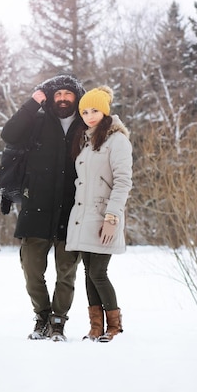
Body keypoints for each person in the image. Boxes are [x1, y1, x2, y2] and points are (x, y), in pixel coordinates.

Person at [0, 74, 86, 341]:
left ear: (76, 97)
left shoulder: (86, 124)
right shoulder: (36, 120)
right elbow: (9, 134)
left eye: (67, 95)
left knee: (66, 272)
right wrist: (32, 102)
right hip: (36, 207)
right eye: (57, 95)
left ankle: (58, 321)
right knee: (31, 270)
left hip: (72, 210)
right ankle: (42, 316)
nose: (62, 100)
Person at [66, 86, 133, 342]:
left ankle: (114, 326)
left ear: (105, 111)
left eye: (94, 110)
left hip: (104, 216)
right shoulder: (85, 140)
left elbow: (123, 181)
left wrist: (112, 218)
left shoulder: (117, 140)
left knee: (98, 273)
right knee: (88, 273)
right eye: (84, 111)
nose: (89, 115)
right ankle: (96, 327)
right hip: (84, 217)